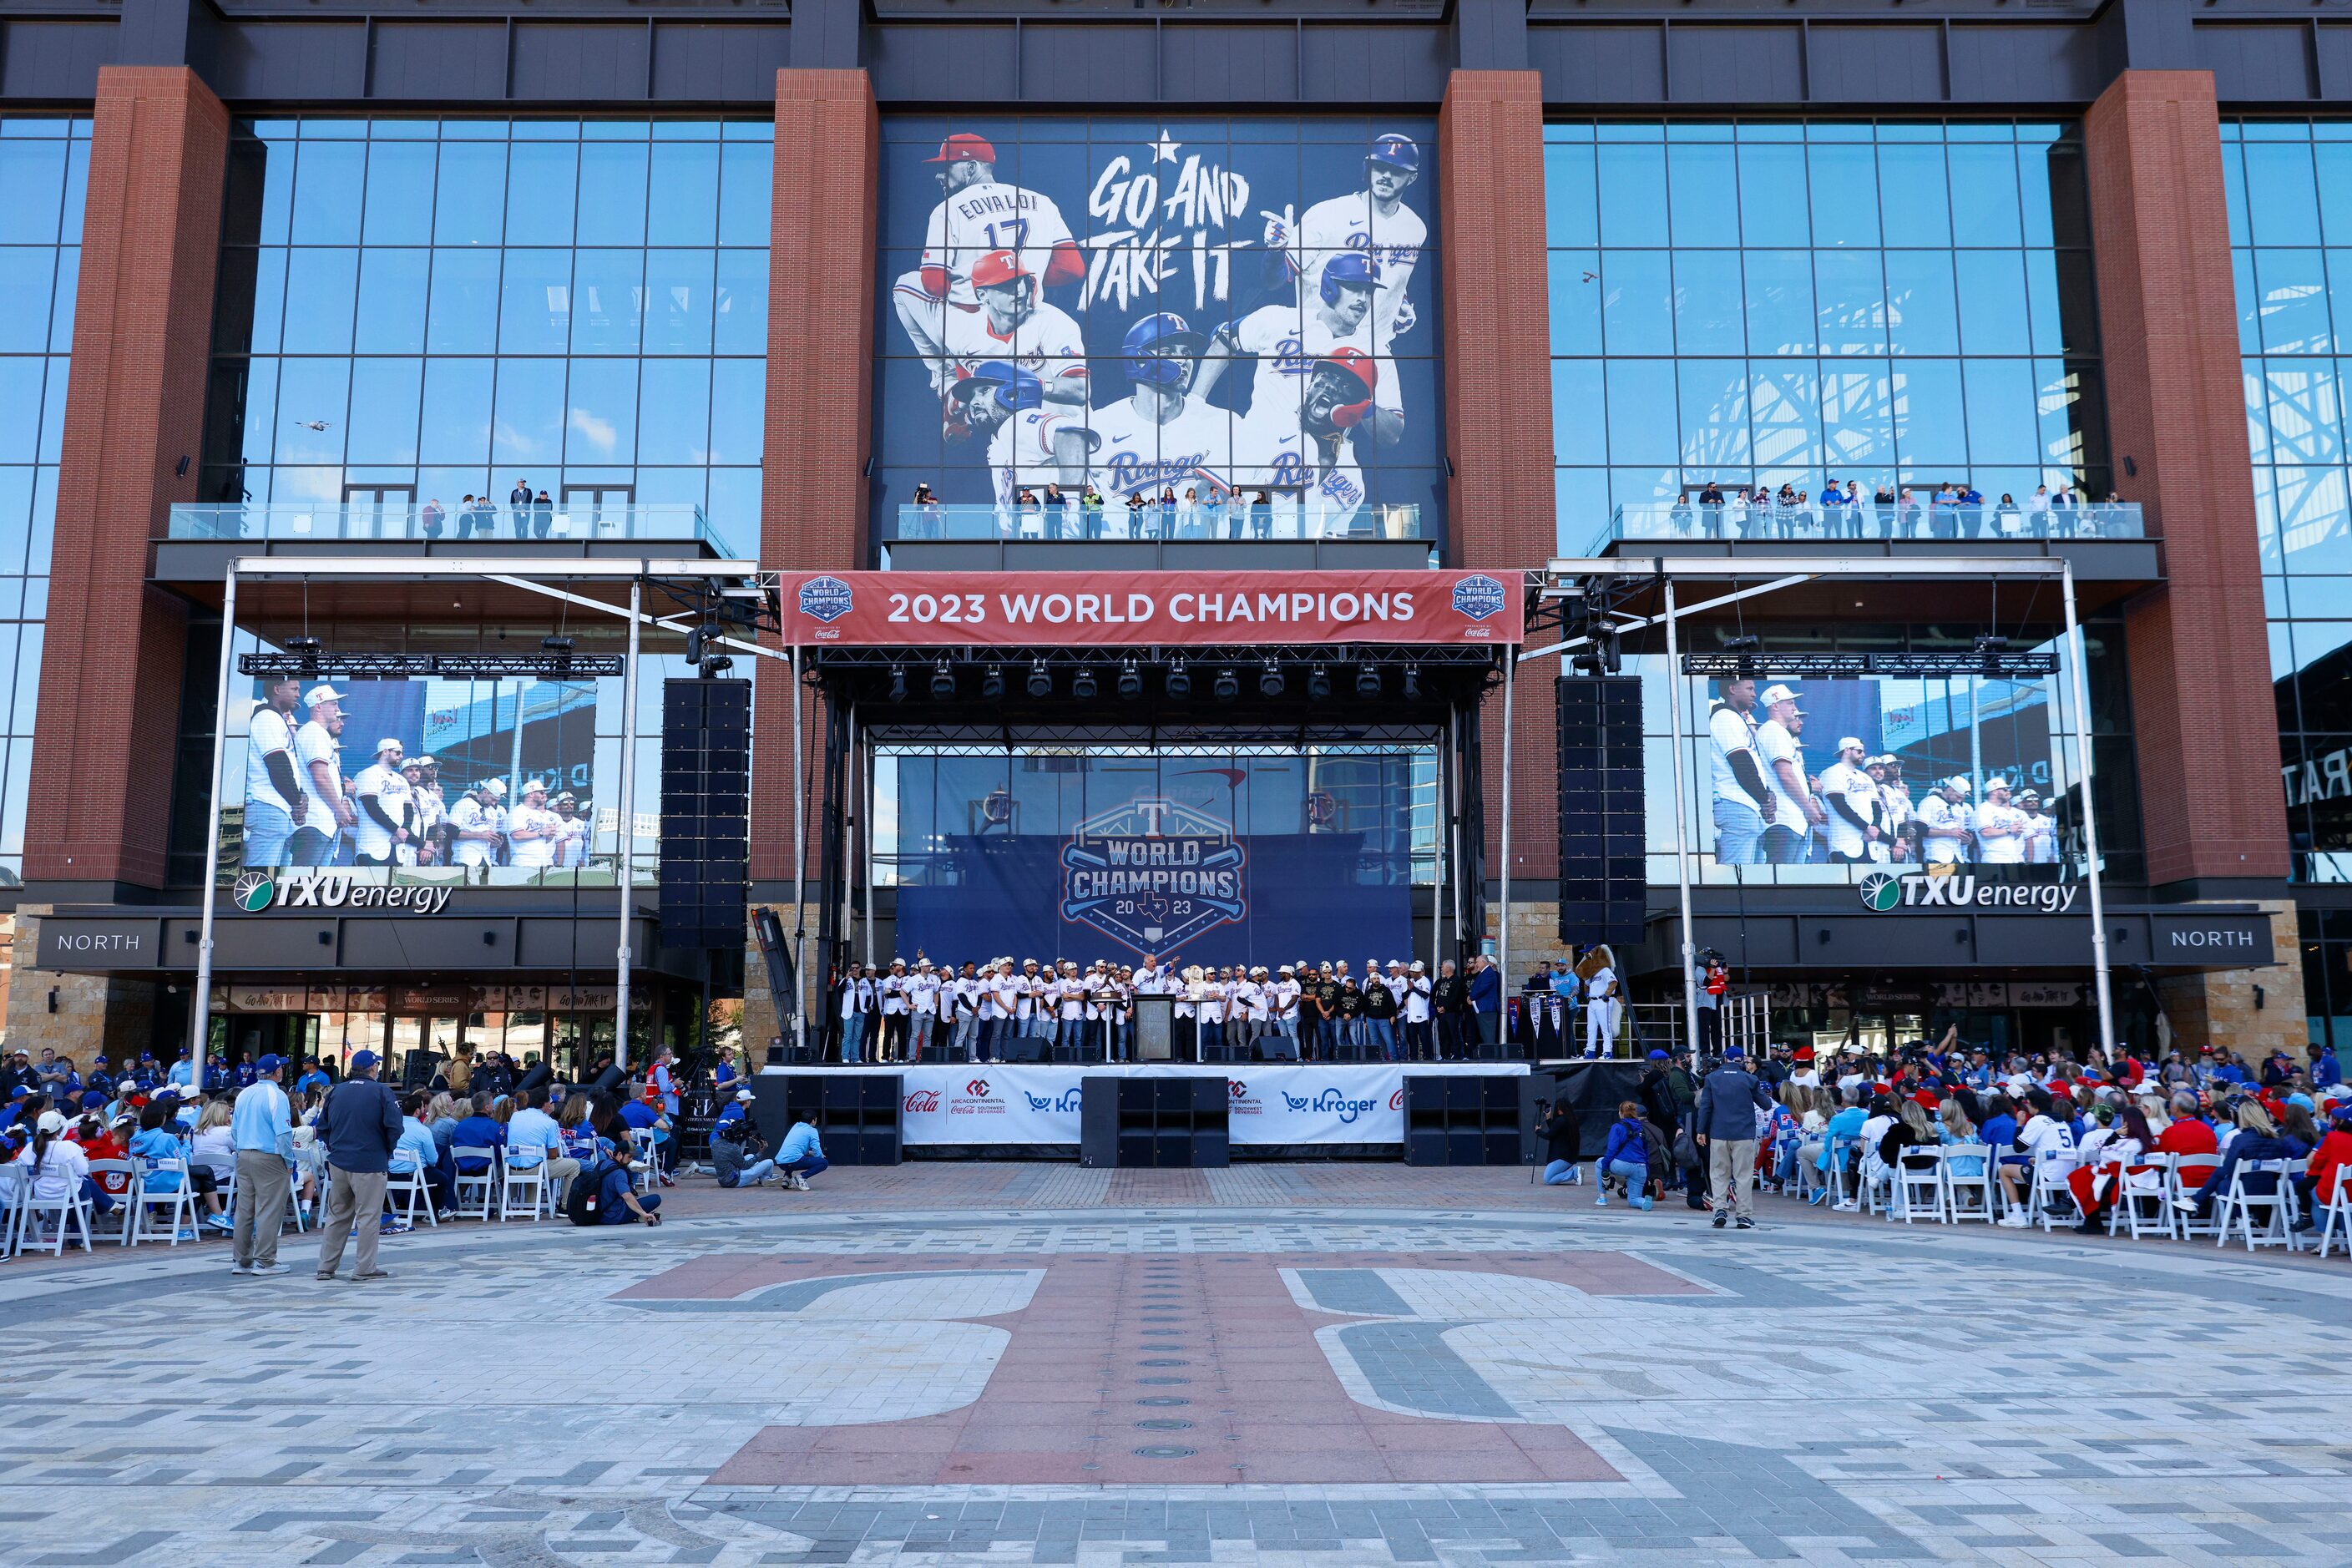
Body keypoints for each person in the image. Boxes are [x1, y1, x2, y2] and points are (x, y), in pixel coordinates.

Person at [316, 1050, 403, 1282]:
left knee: (338, 1215)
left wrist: (335, 1147)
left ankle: (326, 1266)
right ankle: (364, 1267)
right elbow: (394, 1126)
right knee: (368, 1217)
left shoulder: (337, 1091)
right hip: (369, 1162)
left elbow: (322, 1126)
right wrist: (386, 1149)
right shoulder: (381, 1091)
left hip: (340, 1161)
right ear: (373, 1069)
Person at [1692, 1045, 1774, 1230]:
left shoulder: (1712, 1078)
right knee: (1743, 1175)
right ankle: (1743, 1215)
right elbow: (1767, 1104)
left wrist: (1701, 1131)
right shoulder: (1750, 1079)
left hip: (1719, 1133)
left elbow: (1705, 1107)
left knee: (1719, 1173)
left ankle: (1720, 1209)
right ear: (1741, 1061)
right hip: (1743, 1134)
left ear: (1725, 1059)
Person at [229, 1054, 295, 1276]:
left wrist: (241, 1149)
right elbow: (284, 1133)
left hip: (244, 1154)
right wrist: (289, 1161)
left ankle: (241, 1260)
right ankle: (265, 1260)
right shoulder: (277, 1095)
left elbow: (235, 1129)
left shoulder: (244, 1093)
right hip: (270, 1156)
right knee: (269, 1209)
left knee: (245, 1209)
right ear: (277, 1072)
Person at [1594, 1102, 1652, 1209]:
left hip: (1623, 1164)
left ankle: (1602, 1198)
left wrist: (1605, 1167)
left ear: (1621, 1113)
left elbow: (1612, 1149)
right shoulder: (1642, 1129)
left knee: (1599, 1163)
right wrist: (1647, 1173)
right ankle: (1643, 1202)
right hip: (1641, 1167)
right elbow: (1646, 1152)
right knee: (1633, 1200)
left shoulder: (1617, 1127)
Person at [712, 1110, 779, 1189]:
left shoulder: (715, 1143)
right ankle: (765, 1178)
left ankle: (764, 1177)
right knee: (769, 1162)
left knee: (750, 1156)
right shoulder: (732, 1147)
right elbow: (744, 1166)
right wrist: (760, 1152)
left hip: (725, 1179)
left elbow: (735, 1160)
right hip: (735, 1181)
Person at [1540, 1097, 1582, 1185]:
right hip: (1568, 1156)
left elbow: (1549, 1135)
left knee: (1548, 1179)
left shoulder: (1561, 1121)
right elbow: (1555, 1130)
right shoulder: (1570, 1120)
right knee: (1550, 1177)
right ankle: (1575, 1173)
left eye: (1560, 1108)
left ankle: (1574, 1173)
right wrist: (1548, 1119)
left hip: (1561, 1157)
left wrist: (1538, 1131)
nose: (1558, 1110)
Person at [776, 1118, 828, 1191]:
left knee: (793, 1157)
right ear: (813, 1121)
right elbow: (816, 1149)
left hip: (781, 1162)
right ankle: (801, 1178)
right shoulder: (812, 1131)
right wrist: (821, 1157)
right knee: (824, 1163)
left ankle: (787, 1178)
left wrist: (810, 1153)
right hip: (794, 1161)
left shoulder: (796, 1126)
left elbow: (796, 1147)